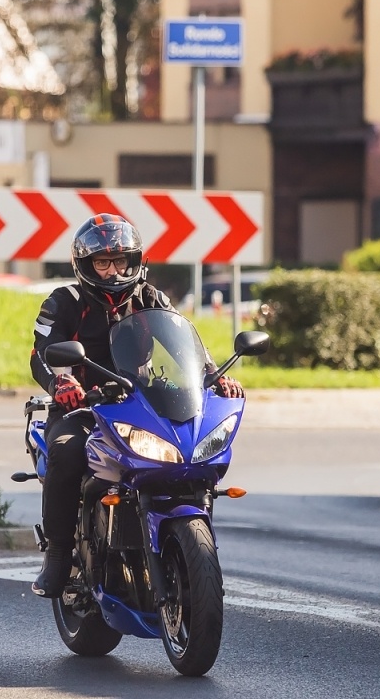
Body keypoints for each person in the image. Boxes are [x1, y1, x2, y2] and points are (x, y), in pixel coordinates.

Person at [28, 215, 243, 598]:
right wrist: (62, 381)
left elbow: (183, 345)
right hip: (84, 409)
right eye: (103, 263)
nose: (114, 272)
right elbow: (42, 352)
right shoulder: (63, 302)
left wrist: (213, 376)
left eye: (121, 261)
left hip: (138, 404)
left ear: (135, 260)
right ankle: (59, 554)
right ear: (85, 265)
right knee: (66, 451)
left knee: (186, 453)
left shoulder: (151, 298)